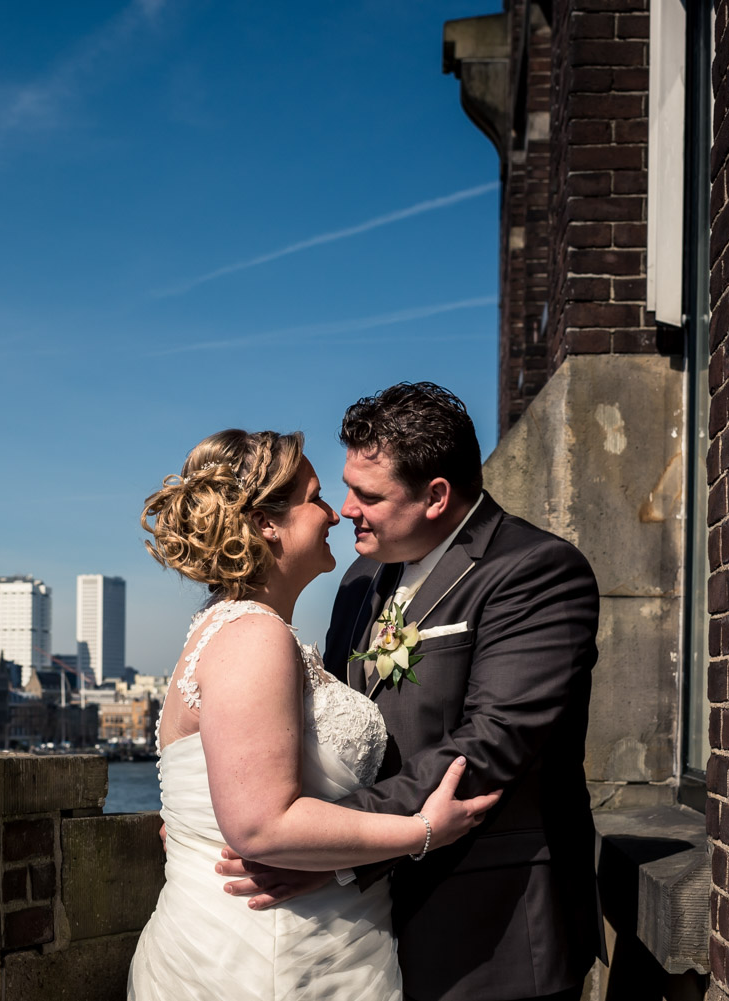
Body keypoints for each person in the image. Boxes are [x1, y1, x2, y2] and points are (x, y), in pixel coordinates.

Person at [217, 384, 604, 1001]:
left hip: (489, 930)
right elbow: (326, 726)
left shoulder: (537, 571)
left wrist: (326, 848)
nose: (346, 509)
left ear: (437, 496)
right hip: (362, 934)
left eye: (368, 495)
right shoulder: (360, 577)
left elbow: (488, 748)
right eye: (346, 488)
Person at [127, 428, 501, 1001]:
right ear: (265, 524)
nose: (334, 514)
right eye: (315, 497)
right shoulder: (253, 635)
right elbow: (259, 825)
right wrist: (422, 831)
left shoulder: (229, 625)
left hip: (292, 935)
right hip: (270, 953)